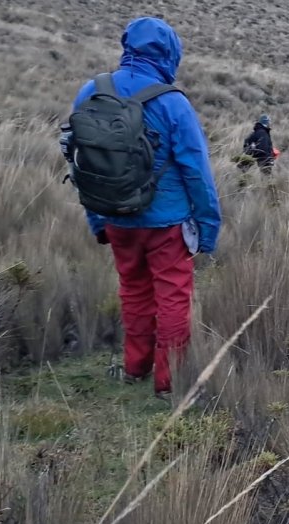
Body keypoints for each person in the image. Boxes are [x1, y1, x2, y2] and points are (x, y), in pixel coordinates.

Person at [70, 16, 222, 400]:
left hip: (116, 217)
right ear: (170, 53)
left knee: (133, 291)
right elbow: (197, 172)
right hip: (167, 223)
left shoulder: (90, 91)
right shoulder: (172, 102)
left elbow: (81, 161)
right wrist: (208, 229)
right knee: (172, 297)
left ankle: (135, 368)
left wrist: (97, 218)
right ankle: (168, 382)